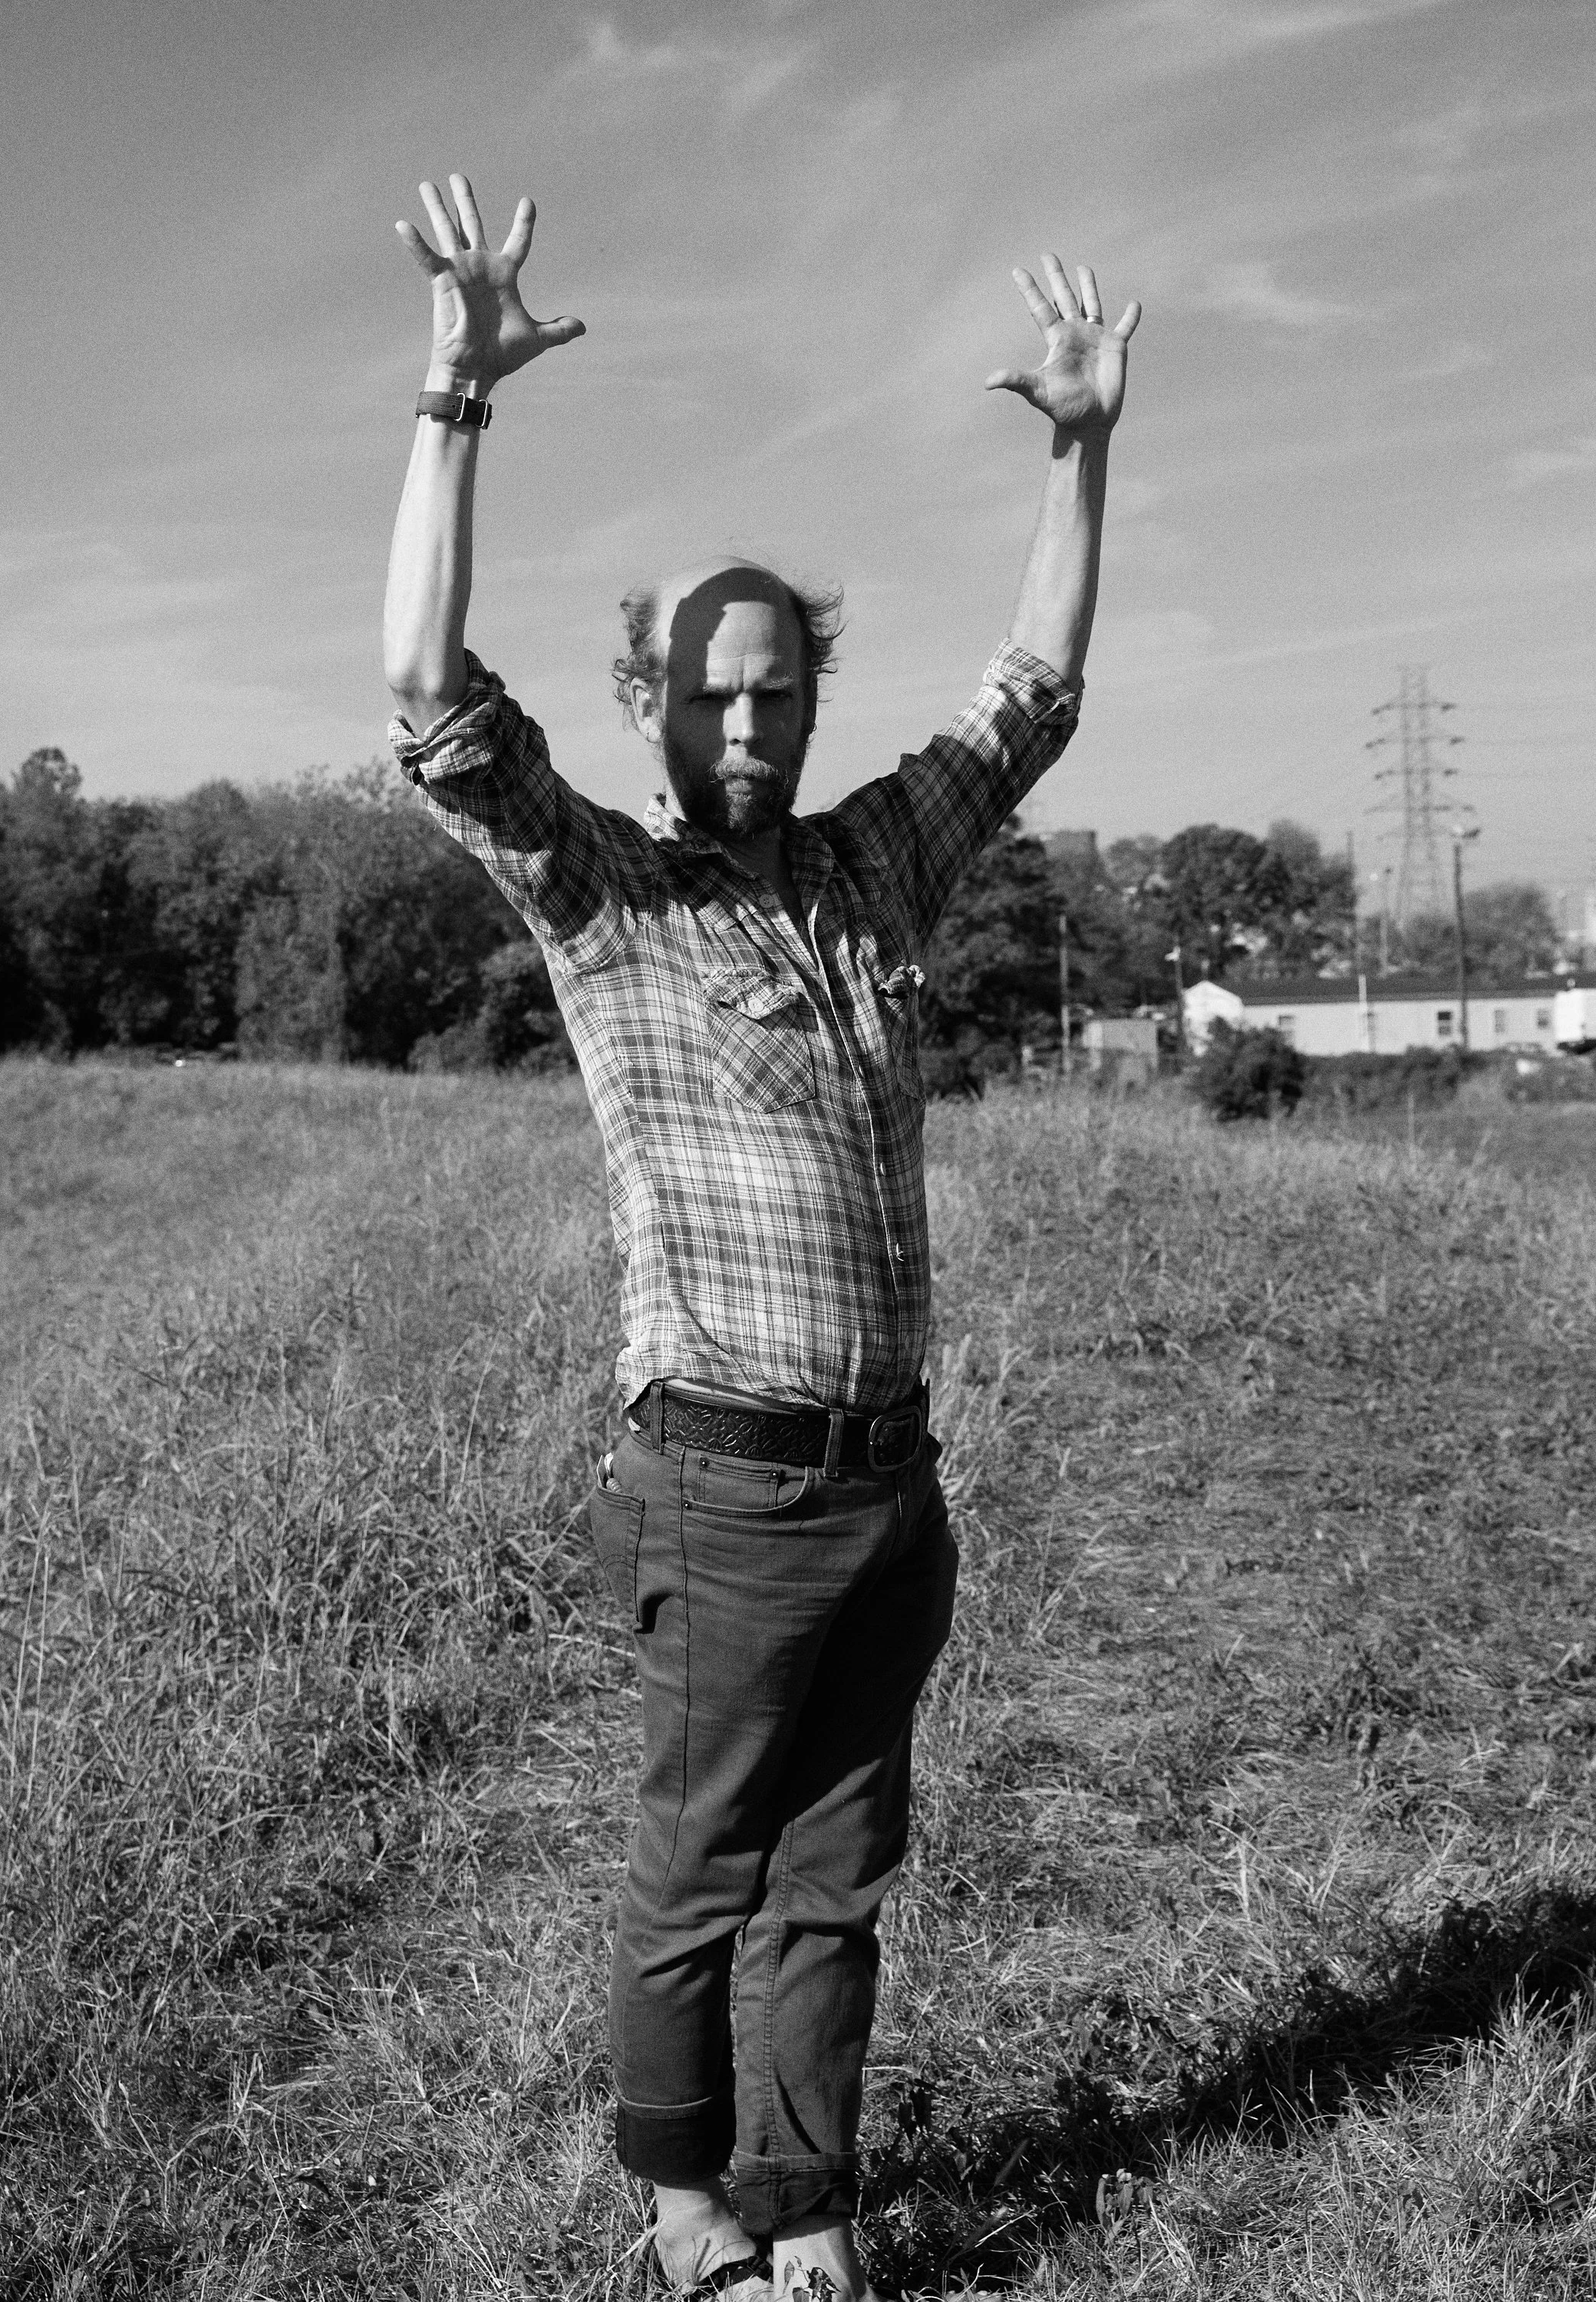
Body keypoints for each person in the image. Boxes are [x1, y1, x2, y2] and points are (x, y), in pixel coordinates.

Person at [383, 170, 1139, 2302]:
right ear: (651, 704)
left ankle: (810, 2208)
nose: (747, 724)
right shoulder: (609, 896)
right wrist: (453, 412)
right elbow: (425, 697)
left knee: (839, 1878)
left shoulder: (877, 867)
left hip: (888, 1481)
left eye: (777, 690)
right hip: (716, 1489)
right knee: (702, 1870)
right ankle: (689, 2210)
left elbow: (1034, 698)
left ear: (810, 698)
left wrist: (1082, 457)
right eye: (711, 695)